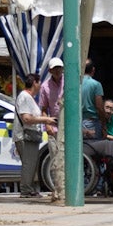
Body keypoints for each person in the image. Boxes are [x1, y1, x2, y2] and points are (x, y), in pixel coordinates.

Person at [15, 73, 55, 198]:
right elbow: (26, 118)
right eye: (39, 82)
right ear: (35, 83)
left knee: (31, 164)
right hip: (25, 136)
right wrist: (45, 120)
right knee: (28, 163)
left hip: (31, 136)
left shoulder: (29, 98)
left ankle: (29, 188)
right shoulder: (25, 97)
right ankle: (26, 190)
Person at [38, 57, 66, 201]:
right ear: (50, 70)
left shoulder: (68, 82)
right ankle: (58, 189)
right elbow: (43, 108)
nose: (58, 71)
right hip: (53, 125)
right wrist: (47, 125)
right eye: (55, 68)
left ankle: (66, 189)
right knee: (55, 159)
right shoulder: (45, 87)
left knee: (67, 158)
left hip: (67, 124)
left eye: (59, 68)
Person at [80, 58, 105, 139]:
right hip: (91, 123)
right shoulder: (96, 85)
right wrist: (103, 124)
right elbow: (99, 107)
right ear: (93, 70)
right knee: (94, 148)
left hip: (76, 122)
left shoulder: (75, 84)